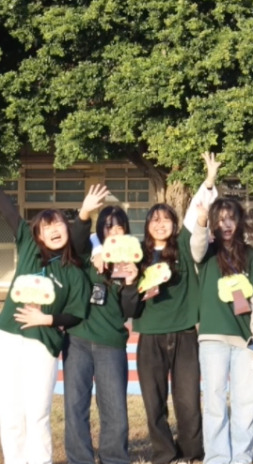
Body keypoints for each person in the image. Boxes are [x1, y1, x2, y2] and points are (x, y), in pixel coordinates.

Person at [0, 190, 89, 464]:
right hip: (10, 338)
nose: (54, 230)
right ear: (38, 235)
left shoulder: (74, 271)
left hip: (42, 343)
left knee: (38, 413)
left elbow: (76, 314)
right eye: (46, 227)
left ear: (67, 229)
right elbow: (9, 210)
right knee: (10, 412)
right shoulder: (29, 248)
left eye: (58, 224)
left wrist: (47, 319)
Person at [191, 162, 253, 464]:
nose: (226, 224)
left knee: (247, 401)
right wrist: (201, 219)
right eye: (220, 219)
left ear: (239, 221)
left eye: (231, 218)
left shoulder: (252, 257)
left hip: (245, 342)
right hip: (212, 339)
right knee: (214, 402)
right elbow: (196, 244)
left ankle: (242, 458)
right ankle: (217, 458)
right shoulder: (207, 252)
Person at [130, 171, 209, 464]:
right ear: (147, 226)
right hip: (150, 334)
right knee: (154, 401)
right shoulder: (138, 254)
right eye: (155, 220)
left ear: (175, 225)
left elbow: (198, 214)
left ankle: (191, 452)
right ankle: (165, 454)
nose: (160, 224)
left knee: (188, 400)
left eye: (166, 219)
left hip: (185, 332)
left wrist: (209, 182)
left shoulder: (184, 246)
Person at [63, 188, 141, 464]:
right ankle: (79, 459)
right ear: (101, 230)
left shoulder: (132, 260)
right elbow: (75, 241)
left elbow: (130, 311)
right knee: (75, 407)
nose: (114, 231)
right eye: (108, 226)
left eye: (120, 227)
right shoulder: (88, 253)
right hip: (78, 340)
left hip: (111, 343)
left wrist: (131, 284)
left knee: (114, 409)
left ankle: (114, 458)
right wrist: (85, 212)